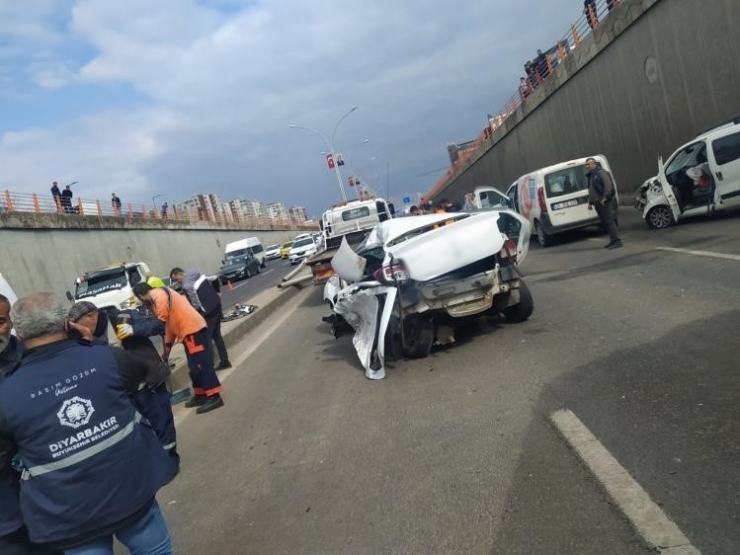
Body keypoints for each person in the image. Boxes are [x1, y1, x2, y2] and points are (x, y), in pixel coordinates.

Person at [0, 292, 176, 553]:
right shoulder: (107, 359)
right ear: (66, 324)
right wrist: (90, 346)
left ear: (21, 334)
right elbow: (135, 382)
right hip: (130, 491)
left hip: (66, 514)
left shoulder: (7, 393)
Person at [133, 283, 224, 414]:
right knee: (194, 368)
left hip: (193, 331)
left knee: (201, 365)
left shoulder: (156, 294)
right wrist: (167, 349)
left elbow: (163, 319)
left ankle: (214, 396)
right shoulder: (161, 300)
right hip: (188, 334)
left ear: (141, 295)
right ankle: (201, 394)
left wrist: (159, 321)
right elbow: (170, 327)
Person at [113, 308, 179, 467]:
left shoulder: (124, 316)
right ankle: (154, 462)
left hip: (150, 381)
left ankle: (170, 461)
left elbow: (157, 325)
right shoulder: (87, 338)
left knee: (163, 420)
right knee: (141, 429)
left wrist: (134, 329)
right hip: (126, 390)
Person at [169, 268, 230, 371]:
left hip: (208, 313)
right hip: (216, 306)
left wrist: (196, 313)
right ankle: (225, 361)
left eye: (176, 279)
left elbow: (196, 303)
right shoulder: (195, 272)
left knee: (207, 339)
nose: (177, 282)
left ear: (180, 274)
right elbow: (215, 278)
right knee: (217, 336)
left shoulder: (187, 285)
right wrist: (217, 292)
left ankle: (209, 366)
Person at [586, 157, 622, 250]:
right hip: (598, 203)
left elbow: (608, 185)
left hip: (605, 202)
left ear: (594, 164)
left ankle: (617, 241)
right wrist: (590, 202)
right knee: (605, 222)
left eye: (589, 164)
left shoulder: (601, 173)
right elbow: (591, 190)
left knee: (609, 221)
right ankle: (612, 240)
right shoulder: (591, 175)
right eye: (586, 165)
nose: (587, 166)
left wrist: (605, 197)